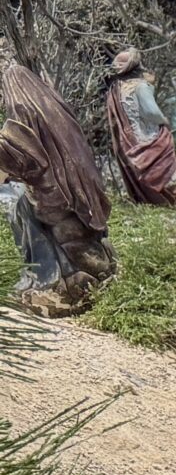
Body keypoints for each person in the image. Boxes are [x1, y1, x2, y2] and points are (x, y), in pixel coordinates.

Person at [1, 62, 116, 314]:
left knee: (20, 210)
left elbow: (20, 158)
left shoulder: (22, 116)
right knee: (22, 202)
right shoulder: (56, 109)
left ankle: (44, 278)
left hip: (54, 199)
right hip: (81, 192)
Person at [103, 49, 176, 205]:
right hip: (150, 139)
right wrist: (164, 120)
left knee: (141, 176)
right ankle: (172, 203)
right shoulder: (140, 86)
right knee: (165, 172)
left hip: (130, 143)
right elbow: (152, 112)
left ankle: (149, 203)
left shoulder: (115, 90)